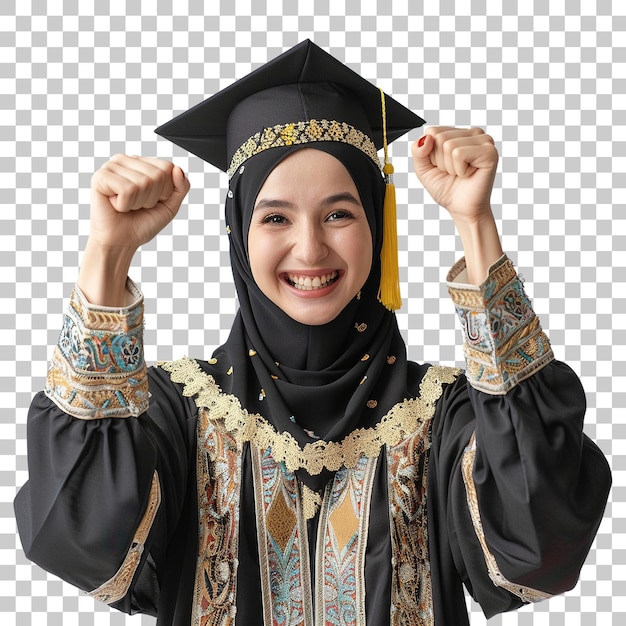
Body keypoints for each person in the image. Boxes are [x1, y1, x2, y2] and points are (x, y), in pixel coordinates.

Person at [14, 40, 610, 626]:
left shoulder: (445, 418)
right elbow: (79, 539)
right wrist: (108, 254)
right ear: (238, 234)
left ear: (378, 226)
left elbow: (538, 544)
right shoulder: (174, 412)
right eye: (275, 216)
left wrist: (475, 224)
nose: (310, 248)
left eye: (340, 214)